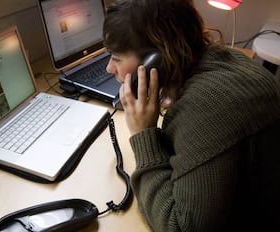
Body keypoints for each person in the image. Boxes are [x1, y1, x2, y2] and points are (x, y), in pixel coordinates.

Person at [103, 0, 280, 231]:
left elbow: (178, 226)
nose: (109, 68)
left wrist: (143, 133)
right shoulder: (229, 60)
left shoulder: (204, 108)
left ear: (154, 60)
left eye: (116, 58)